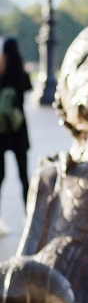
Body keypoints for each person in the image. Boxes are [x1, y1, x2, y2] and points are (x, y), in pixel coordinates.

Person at [0, 37, 32, 210]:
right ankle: (29, 216)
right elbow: (29, 87)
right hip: (18, 128)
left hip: (2, 129)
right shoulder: (20, 72)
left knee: (0, 176)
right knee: (23, 176)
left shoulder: (1, 71)